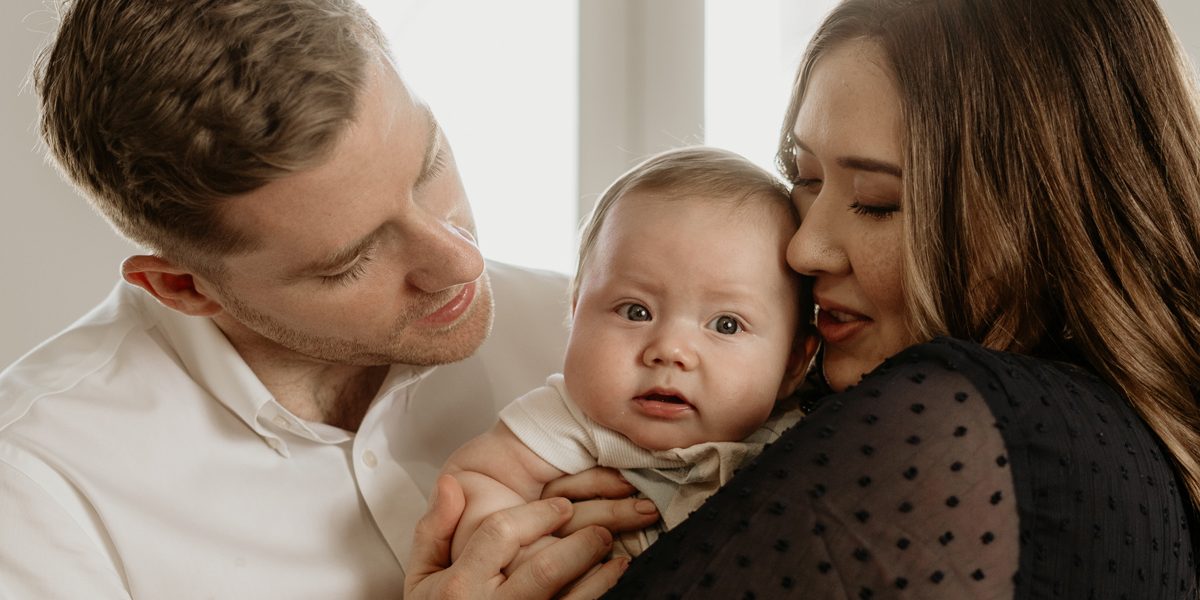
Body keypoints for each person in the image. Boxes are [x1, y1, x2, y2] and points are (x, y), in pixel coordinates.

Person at [0, 1, 654, 598]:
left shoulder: (583, 333)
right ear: (183, 287)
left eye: (430, 169)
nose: (460, 260)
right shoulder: (36, 484)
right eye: (352, 259)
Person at [596, 0, 1200, 597]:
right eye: (804, 178)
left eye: (878, 201)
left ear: (1043, 220)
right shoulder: (1122, 450)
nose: (805, 249)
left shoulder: (951, 422)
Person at [441, 147, 818, 563]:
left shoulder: (805, 433)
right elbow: (477, 480)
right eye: (636, 312)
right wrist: (532, 555)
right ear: (575, 313)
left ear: (793, 364)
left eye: (726, 324)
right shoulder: (569, 422)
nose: (670, 351)